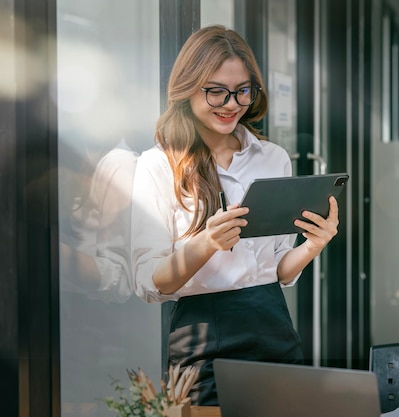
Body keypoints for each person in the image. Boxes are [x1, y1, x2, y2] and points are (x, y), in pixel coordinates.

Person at [131, 25, 340, 406]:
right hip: (201, 334)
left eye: (243, 90)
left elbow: (279, 270)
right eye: (217, 91)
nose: (232, 104)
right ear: (187, 89)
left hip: (272, 324)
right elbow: (151, 284)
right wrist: (206, 244)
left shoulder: (272, 157)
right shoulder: (158, 165)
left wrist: (314, 244)